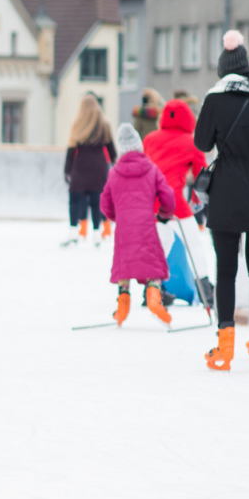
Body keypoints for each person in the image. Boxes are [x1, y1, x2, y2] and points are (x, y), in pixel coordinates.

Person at [194, 30, 249, 371]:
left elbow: (201, 143)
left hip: (227, 196)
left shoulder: (215, 98)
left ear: (223, 67)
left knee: (226, 271)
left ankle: (224, 348)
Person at [100, 124, 177, 326]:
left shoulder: (114, 173)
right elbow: (168, 196)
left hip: (124, 230)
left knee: (124, 266)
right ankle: (154, 297)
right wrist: (164, 214)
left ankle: (122, 305)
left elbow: (105, 204)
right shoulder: (151, 169)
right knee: (151, 264)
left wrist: (119, 218)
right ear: (139, 146)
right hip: (146, 227)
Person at [143, 98, 211, 306]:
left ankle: (152, 290)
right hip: (174, 201)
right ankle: (206, 291)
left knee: (161, 244)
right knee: (194, 244)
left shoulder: (150, 139)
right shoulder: (192, 141)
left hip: (150, 200)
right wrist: (199, 200)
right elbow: (201, 175)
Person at [64, 94, 116, 246]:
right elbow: (111, 150)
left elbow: (71, 150)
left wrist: (67, 170)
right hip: (99, 166)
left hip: (80, 166)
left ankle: (73, 232)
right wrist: (116, 166)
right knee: (96, 200)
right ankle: (97, 234)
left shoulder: (77, 124)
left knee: (75, 199)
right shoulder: (104, 125)